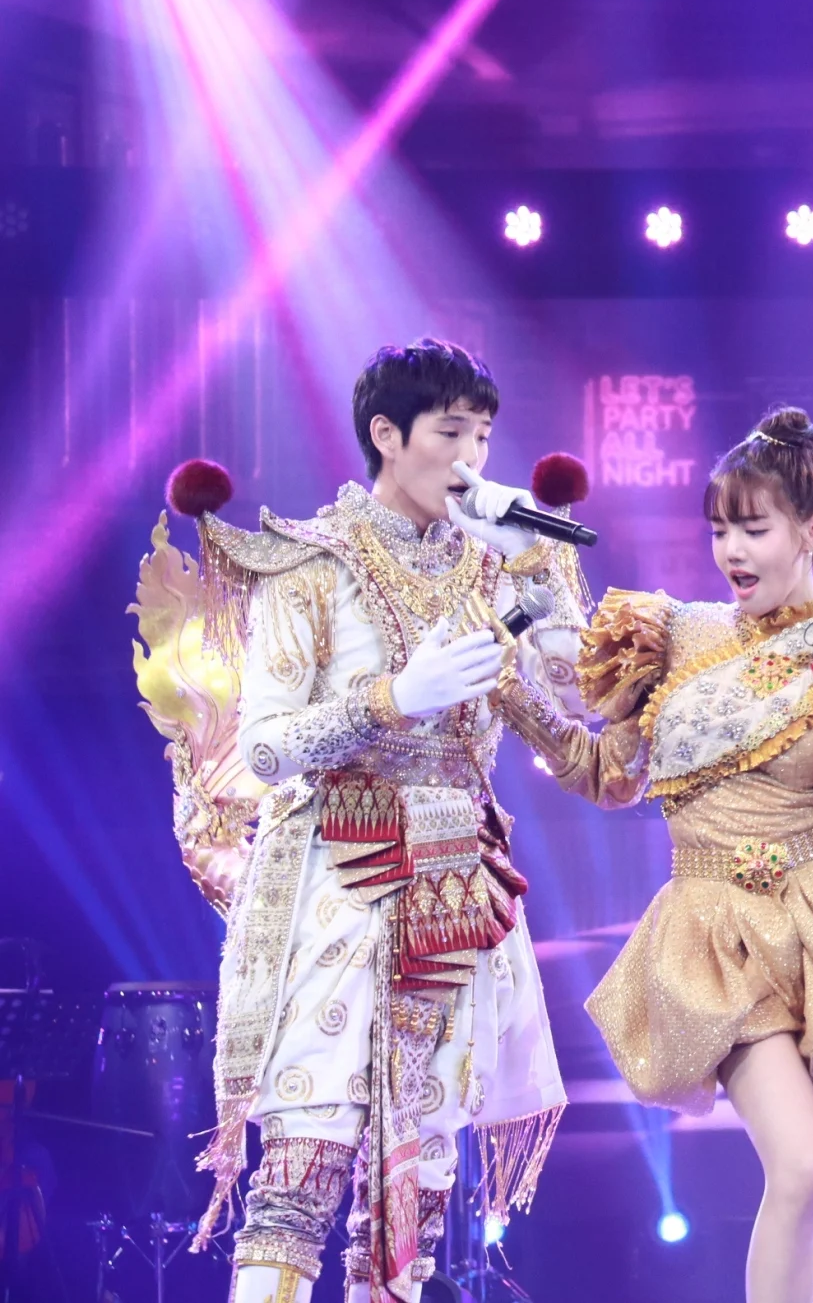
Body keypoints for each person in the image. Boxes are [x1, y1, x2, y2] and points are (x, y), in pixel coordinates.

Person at [148, 338, 592, 1303]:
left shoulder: (491, 567)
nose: (472, 458)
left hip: (456, 894)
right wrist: (391, 697)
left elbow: (574, 696)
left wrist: (531, 560)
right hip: (340, 884)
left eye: (484, 436)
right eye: (451, 433)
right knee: (301, 1171)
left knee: (416, 1194)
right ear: (387, 435)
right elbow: (265, 746)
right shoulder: (314, 565)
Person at [522, 407, 813, 1303]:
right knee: (803, 1166)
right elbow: (608, 774)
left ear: (812, 531)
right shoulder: (676, 635)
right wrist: (512, 693)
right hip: (720, 933)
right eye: (720, 528)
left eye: (754, 528)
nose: (731, 549)